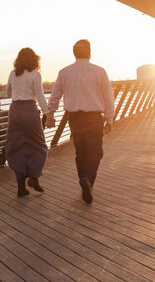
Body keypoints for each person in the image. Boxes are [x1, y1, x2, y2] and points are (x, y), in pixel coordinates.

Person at [48, 39, 115, 204]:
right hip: (94, 117)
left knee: (81, 152)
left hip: (75, 118)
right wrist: (110, 117)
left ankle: (84, 181)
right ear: (89, 52)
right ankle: (88, 180)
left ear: (74, 53)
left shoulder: (64, 72)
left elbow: (55, 95)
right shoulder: (99, 72)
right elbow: (108, 96)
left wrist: (50, 113)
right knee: (96, 152)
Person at [5, 47, 53, 197]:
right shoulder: (35, 75)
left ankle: (21, 186)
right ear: (34, 60)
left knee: (16, 147)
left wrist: (18, 91)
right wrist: (48, 114)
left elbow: (8, 93)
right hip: (29, 110)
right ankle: (33, 177)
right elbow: (40, 96)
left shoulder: (13, 74)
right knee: (39, 146)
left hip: (14, 111)